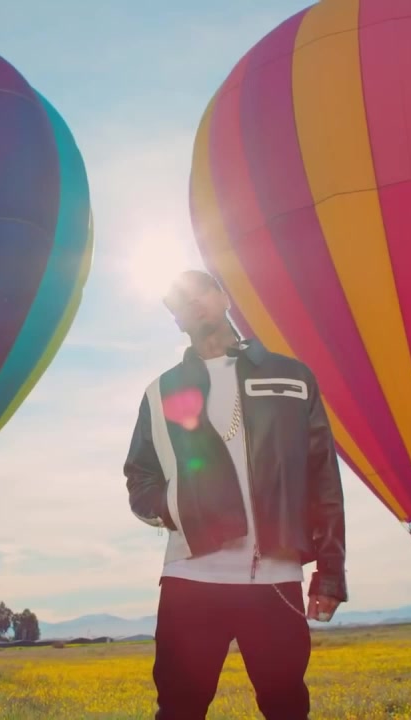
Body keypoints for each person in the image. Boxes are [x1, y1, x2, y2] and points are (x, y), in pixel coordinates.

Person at [123, 269, 348, 719]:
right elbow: (139, 477)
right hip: (190, 578)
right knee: (179, 710)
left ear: (223, 296)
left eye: (199, 292)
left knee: (287, 709)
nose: (192, 303)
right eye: (179, 302)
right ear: (176, 320)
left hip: (275, 579)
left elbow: (323, 480)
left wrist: (330, 573)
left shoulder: (293, 377)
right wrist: (174, 506)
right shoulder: (161, 391)